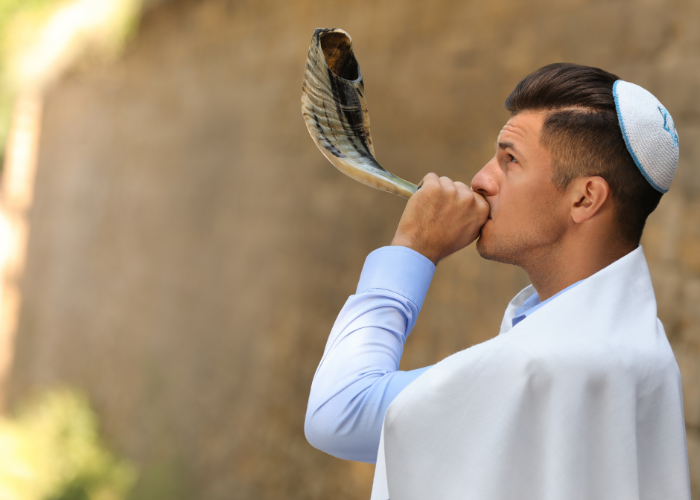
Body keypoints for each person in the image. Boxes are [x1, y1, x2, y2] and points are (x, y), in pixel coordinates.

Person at [304, 63, 691, 500]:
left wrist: (412, 248)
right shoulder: (641, 344)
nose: (480, 180)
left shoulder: (540, 365)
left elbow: (338, 410)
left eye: (510, 160)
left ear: (584, 198)